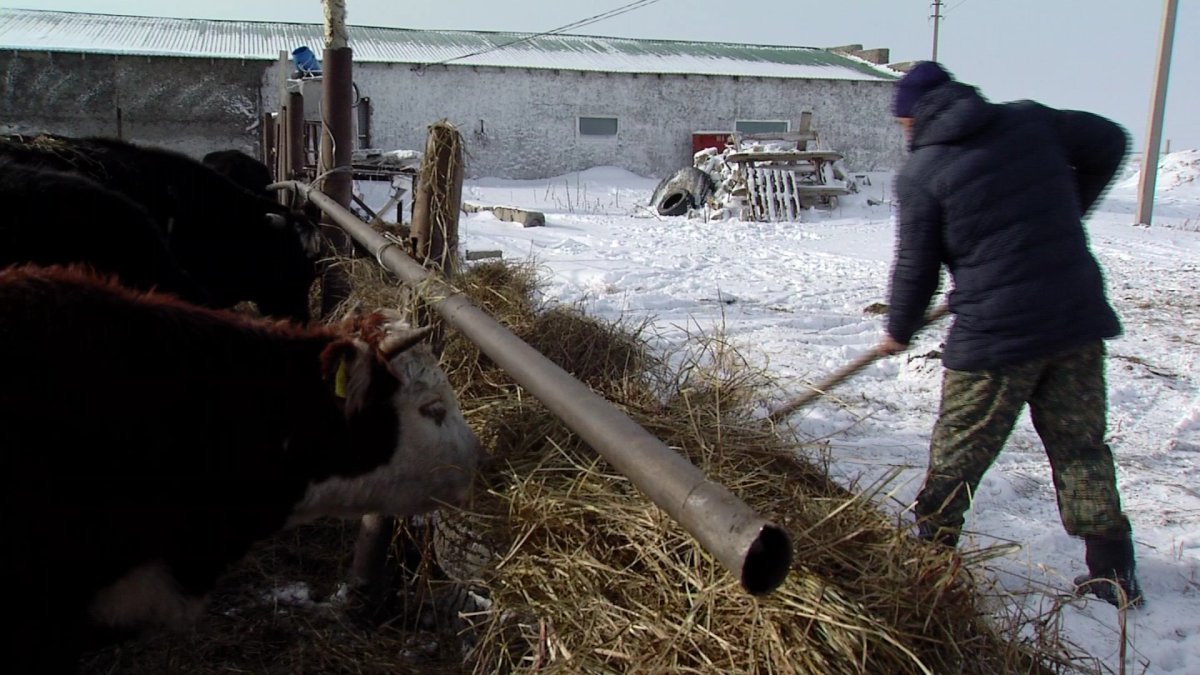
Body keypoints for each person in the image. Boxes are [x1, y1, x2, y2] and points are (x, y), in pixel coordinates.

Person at [879, 61, 1143, 608]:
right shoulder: (1031, 121)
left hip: (997, 336)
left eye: (902, 122)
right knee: (1080, 448)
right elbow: (1112, 141)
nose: (903, 132)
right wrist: (1064, 211)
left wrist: (898, 330)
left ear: (913, 117)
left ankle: (929, 566)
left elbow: (916, 268)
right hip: (1073, 318)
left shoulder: (923, 172)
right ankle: (1113, 572)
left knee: (959, 455)